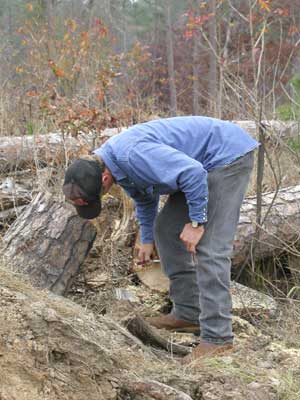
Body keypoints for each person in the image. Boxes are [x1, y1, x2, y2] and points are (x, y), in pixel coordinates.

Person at [63, 116, 259, 362]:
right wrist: (147, 239)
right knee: (165, 229)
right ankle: (188, 313)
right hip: (199, 165)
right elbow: (145, 197)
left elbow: (193, 173)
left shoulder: (133, 155)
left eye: (98, 196)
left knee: (209, 246)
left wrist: (197, 223)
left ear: (103, 179)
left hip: (225, 156)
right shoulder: (113, 164)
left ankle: (218, 338)